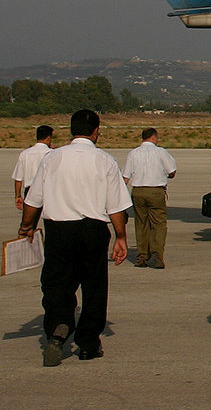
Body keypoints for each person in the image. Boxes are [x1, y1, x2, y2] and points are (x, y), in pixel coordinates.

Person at [18, 109, 129, 366]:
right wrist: (121, 237)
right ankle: (89, 343)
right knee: (94, 287)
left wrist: (26, 226)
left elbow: (33, 200)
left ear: (71, 130)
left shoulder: (52, 158)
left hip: (59, 230)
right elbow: (116, 207)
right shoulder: (105, 160)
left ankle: (58, 328)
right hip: (93, 230)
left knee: (57, 283)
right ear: (95, 131)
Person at [122, 128, 177, 269]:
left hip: (138, 191)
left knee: (141, 224)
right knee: (158, 224)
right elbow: (172, 171)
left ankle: (142, 256)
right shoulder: (160, 152)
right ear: (153, 137)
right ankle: (157, 254)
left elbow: (125, 177)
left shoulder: (133, 153)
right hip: (155, 191)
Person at [12, 125, 54, 213]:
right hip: (47, 190)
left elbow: (18, 178)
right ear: (48, 138)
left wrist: (18, 195)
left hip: (30, 191)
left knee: (29, 222)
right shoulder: (52, 153)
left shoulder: (25, 153)